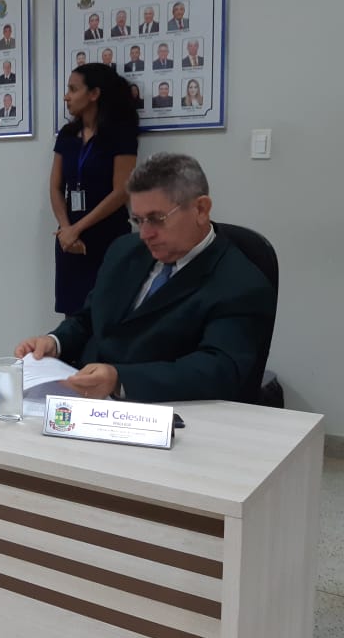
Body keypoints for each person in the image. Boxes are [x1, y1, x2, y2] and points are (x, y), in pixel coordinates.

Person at [15, 153, 276, 403]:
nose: (145, 234)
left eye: (156, 219)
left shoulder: (239, 282)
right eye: (139, 220)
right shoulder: (124, 251)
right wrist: (55, 342)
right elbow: (89, 318)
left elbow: (219, 370)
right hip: (84, 400)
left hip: (168, 413)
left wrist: (120, 379)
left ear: (201, 209)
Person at [48, 63, 139, 315]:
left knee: (106, 313)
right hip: (69, 240)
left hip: (107, 236)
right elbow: (55, 187)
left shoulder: (121, 133)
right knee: (73, 315)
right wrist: (66, 229)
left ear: (94, 94)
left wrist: (77, 229)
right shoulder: (67, 135)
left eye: (73, 89)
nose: (66, 96)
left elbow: (122, 191)